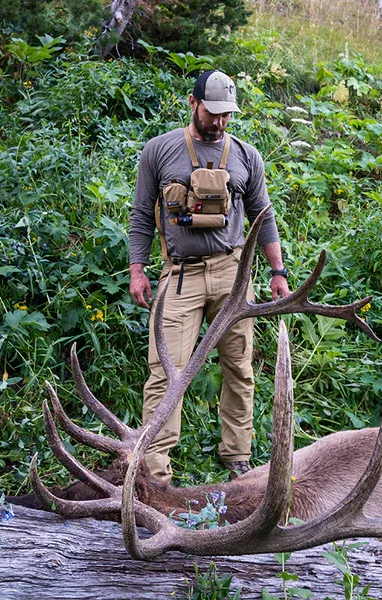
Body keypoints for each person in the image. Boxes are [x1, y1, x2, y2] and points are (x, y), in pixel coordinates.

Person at [128, 70, 290, 483]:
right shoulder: (159, 151)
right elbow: (141, 215)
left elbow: (263, 216)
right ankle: (154, 473)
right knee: (166, 371)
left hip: (233, 276)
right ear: (193, 104)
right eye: (213, 113)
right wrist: (137, 269)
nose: (219, 122)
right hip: (179, 276)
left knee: (239, 368)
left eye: (227, 115)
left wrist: (277, 270)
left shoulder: (246, 155)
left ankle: (237, 457)